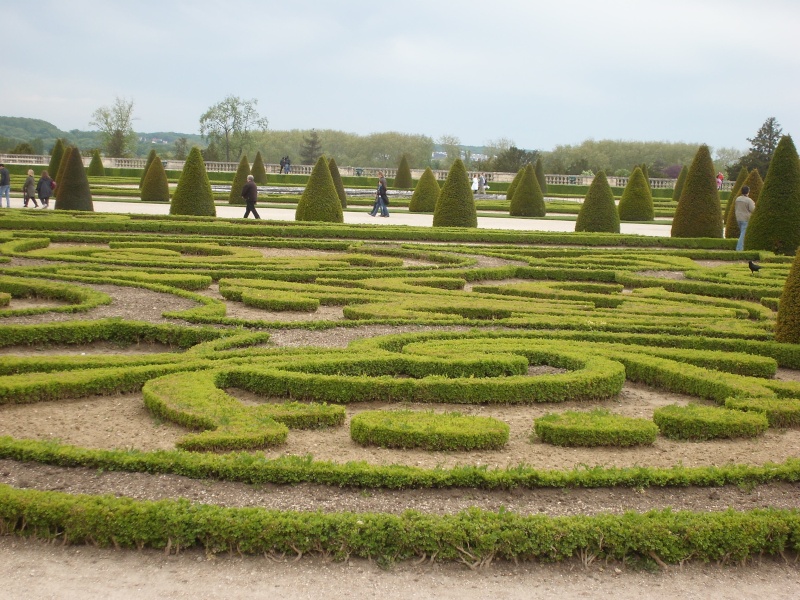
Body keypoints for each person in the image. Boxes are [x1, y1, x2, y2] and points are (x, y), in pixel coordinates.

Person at [734, 185, 755, 251]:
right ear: (748, 192)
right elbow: (753, 210)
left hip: (738, 218)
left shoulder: (738, 199)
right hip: (745, 219)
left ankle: (743, 247)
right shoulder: (749, 200)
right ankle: (739, 249)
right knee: (743, 235)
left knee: (742, 233)